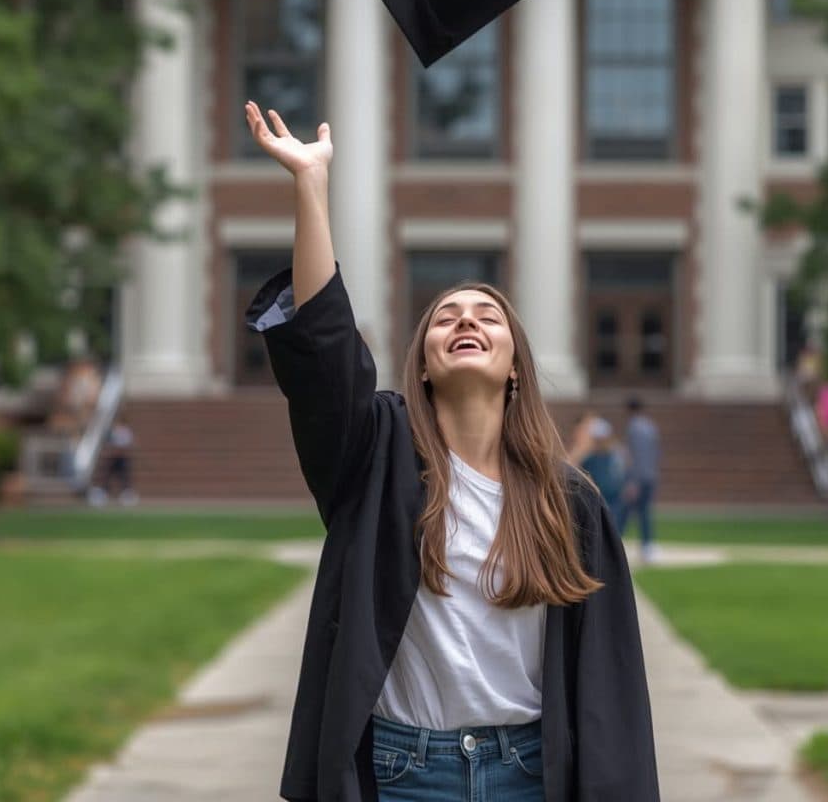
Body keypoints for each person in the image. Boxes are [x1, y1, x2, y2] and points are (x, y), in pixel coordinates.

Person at [243, 102, 660, 802]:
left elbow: (607, 687)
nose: (466, 319)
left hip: (529, 772)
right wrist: (311, 188)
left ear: (515, 364)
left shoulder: (570, 503)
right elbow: (324, 349)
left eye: (487, 315)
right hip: (405, 775)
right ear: (426, 365)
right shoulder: (375, 459)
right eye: (446, 317)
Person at [623, 398, 661, 564]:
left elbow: (635, 456)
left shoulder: (634, 428)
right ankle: (647, 546)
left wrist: (632, 481)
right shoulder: (651, 427)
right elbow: (655, 453)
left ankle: (614, 542)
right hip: (650, 475)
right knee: (644, 512)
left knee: (623, 511)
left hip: (638, 478)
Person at [574, 417, 625, 531]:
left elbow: (621, 473)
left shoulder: (615, 455)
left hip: (613, 497)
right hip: (595, 497)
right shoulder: (589, 457)